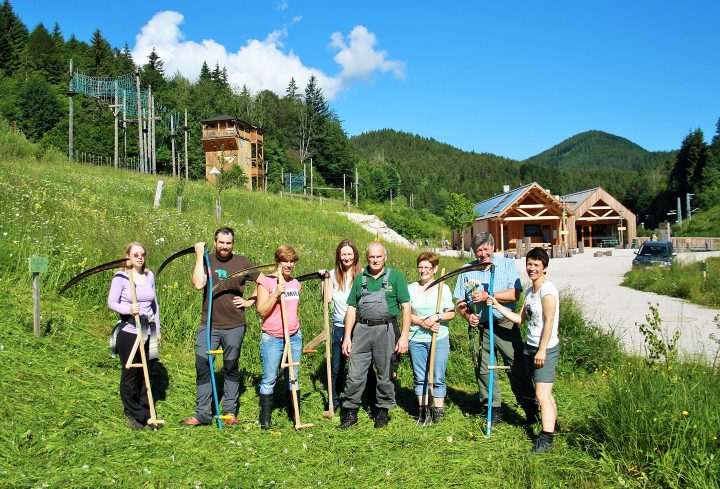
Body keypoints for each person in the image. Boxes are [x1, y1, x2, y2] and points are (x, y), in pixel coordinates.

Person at [453, 232, 538, 426]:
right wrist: (468, 315)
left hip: (505, 325)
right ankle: (493, 409)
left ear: (493, 247)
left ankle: (531, 409)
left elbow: (514, 294)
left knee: (517, 368)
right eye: (478, 250)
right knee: (484, 370)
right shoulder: (467, 269)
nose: (483, 254)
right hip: (483, 328)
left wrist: (488, 295)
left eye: (485, 249)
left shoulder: (506, 265)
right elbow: (460, 300)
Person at [182, 227, 260, 426]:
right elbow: (199, 284)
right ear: (215, 242)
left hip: (234, 324)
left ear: (233, 244)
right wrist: (199, 255)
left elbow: (264, 282)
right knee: (203, 365)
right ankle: (203, 414)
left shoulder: (242, 262)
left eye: (229, 243)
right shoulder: (207, 259)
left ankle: (229, 412)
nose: (225, 246)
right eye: (221, 242)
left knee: (231, 366)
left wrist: (250, 301)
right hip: (209, 325)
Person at [488, 247, 560, 453]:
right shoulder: (530, 292)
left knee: (541, 394)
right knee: (545, 392)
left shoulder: (547, 291)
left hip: (544, 348)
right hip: (530, 347)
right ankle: (554, 426)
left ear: (544, 268)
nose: (532, 268)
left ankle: (546, 439)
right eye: (529, 264)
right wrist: (496, 305)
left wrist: (543, 349)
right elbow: (519, 319)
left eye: (537, 265)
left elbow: (549, 322)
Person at [339, 241, 411, 429]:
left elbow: (406, 307)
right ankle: (350, 412)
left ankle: (382, 411)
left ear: (385, 257)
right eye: (372, 257)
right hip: (361, 331)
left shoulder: (395, 277)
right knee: (354, 374)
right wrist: (347, 337)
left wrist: (404, 336)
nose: (375, 260)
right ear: (367, 258)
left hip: (386, 331)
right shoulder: (360, 278)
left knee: (385, 373)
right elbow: (352, 308)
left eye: (379, 256)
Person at [255, 245, 316, 429]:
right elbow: (262, 310)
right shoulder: (266, 282)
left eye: (292, 261)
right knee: (270, 378)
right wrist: (276, 294)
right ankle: (265, 420)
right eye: (285, 261)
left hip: (294, 336)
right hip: (272, 338)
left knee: (293, 377)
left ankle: (294, 415)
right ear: (277, 262)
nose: (289, 265)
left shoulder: (295, 283)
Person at [107, 241, 160, 430]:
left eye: (142, 254)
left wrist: (158, 329)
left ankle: (146, 412)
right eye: (135, 254)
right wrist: (128, 309)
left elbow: (155, 305)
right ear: (127, 256)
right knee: (131, 374)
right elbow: (111, 302)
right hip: (129, 332)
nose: (140, 257)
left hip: (148, 331)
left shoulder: (149, 275)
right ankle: (132, 412)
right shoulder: (121, 277)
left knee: (147, 374)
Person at [408, 251, 455, 423]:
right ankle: (423, 410)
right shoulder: (411, 288)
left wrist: (437, 317)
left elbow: (451, 313)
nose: (423, 270)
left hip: (439, 338)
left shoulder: (443, 288)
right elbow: (407, 314)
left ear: (435, 269)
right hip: (416, 339)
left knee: (438, 375)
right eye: (420, 267)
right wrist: (423, 322)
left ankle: (438, 409)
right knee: (420, 375)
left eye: (427, 267)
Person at [325, 239, 363, 411]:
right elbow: (327, 299)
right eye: (343, 254)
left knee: (361, 367)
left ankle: (359, 399)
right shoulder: (333, 275)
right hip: (339, 326)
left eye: (349, 253)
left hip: (360, 327)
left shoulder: (363, 275)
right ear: (339, 256)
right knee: (337, 366)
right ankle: (333, 400)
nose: (346, 257)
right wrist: (324, 279)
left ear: (355, 255)